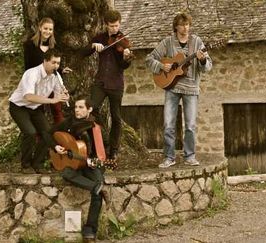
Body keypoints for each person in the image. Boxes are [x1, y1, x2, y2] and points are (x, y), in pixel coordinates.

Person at [145, 13, 212, 168]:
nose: (185, 28)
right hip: (172, 88)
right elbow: (149, 58)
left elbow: (208, 66)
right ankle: (169, 157)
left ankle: (190, 156)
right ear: (176, 26)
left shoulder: (197, 42)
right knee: (168, 124)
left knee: (190, 125)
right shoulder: (168, 42)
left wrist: (202, 59)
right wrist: (162, 66)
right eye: (182, 25)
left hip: (191, 89)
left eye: (187, 24)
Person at [48, 98, 110, 243]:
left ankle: (89, 231)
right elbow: (49, 134)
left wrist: (94, 161)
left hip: (90, 164)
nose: (77, 110)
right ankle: (96, 187)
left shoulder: (95, 127)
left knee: (97, 193)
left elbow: (104, 148)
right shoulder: (68, 122)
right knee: (66, 173)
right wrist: (56, 146)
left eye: (81, 107)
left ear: (89, 110)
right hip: (72, 163)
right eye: (76, 107)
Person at [80, 10, 133, 160]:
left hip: (116, 84)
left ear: (119, 24)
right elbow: (83, 53)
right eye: (111, 26)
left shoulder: (123, 41)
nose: (114, 29)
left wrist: (126, 57)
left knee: (116, 118)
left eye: (116, 26)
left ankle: (113, 150)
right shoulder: (100, 38)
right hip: (101, 82)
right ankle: (96, 144)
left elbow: (123, 66)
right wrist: (93, 46)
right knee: (90, 110)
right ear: (106, 25)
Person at [9, 49, 69, 174]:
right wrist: (52, 100)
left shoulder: (55, 76)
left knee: (47, 133)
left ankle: (37, 164)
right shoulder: (31, 73)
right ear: (45, 61)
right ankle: (25, 165)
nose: (56, 66)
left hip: (35, 108)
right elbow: (28, 96)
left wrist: (64, 96)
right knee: (30, 132)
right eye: (53, 63)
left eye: (58, 63)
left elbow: (59, 94)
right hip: (19, 106)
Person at [23, 17, 72, 124]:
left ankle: (61, 135)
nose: (47, 31)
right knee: (37, 111)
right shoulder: (30, 45)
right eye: (45, 28)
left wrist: (61, 69)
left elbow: (55, 62)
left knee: (57, 109)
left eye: (50, 29)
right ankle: (39, 138)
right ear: (40, 28)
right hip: (38, 82)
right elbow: (28, 66)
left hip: (52, 80)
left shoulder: (54, 45)